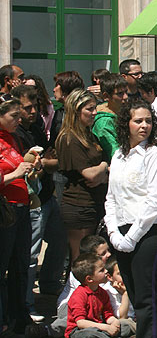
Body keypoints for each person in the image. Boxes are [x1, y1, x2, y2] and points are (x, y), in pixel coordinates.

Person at [105, 98, 157, 338]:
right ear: (127, 123)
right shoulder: (118, 156)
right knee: (134, 294)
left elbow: (156, 200)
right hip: (122, 232)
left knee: (147, 297)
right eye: (138, 121)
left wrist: (132, 237)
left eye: (148, 121)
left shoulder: (155, 155)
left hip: (150, 232)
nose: (144, 126)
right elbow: (111, 198)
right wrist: (113, 232)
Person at [11, 85, 66, 319]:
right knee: (30, 255)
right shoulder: (15, 133)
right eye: (27, 108)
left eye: (35, 107)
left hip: (47, 196)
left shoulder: (32, 128)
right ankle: (26, 303)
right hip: (32, 200)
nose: (32, 112)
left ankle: (49, 284)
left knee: (59, 241)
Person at [56, 89, 109, 262]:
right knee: (81, 259)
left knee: (92, 259)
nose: (94, 113)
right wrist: (104, 165)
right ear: (76, 111)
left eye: (95, 108)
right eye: (89, 109)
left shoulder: (88, 134)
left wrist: (102, 173)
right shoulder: (70, 138)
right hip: (78, 206)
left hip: (94, 202)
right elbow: (90, 175)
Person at [0, 98, 36, 335]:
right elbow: (10, 173)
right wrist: (16, 173)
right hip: (6, 210)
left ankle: (18, 316)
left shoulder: (12, 137)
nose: (19, 120)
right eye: (14, 116)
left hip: (21, 207)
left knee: (20, 265)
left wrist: (30, 165)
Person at [51, 235, 113, 338]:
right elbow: (80, 317)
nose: (109, 254)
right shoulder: (82, 272)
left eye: (108, 250)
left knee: (122, 324)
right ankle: (49, 330)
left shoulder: (103, 272)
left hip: (94, 310)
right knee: (69, 320)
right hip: (70, 306)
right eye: (103, 253)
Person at [65, 253, 134, 338]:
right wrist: (106, 328)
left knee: (125, 324)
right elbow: (81, 323)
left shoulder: (103, 293)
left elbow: (108, 315)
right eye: (101, 270)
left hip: (100, 327)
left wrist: (114, 323)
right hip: (79, 331)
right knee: (90, 334)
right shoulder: (79, 295)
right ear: (89, 279)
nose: (106, 271)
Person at [92, 73, 128, 160]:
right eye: (120, 94)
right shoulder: (104, 123)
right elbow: (115, 154)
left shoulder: (124, 112)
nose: (126, 97)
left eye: (126, 92)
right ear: (106, 96)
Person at [104, 258, 135, 327]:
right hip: (122, 323)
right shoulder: (107, 291)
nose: (126, 277)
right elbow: (121, 317)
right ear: (109, 277)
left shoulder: (131, 285)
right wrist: (125, 293)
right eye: (120, 274)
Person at [24, 74, 55, 139]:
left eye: (31, 88)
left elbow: (48, 128)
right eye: (25, 87)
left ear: (37, 89)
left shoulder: (47, 105)